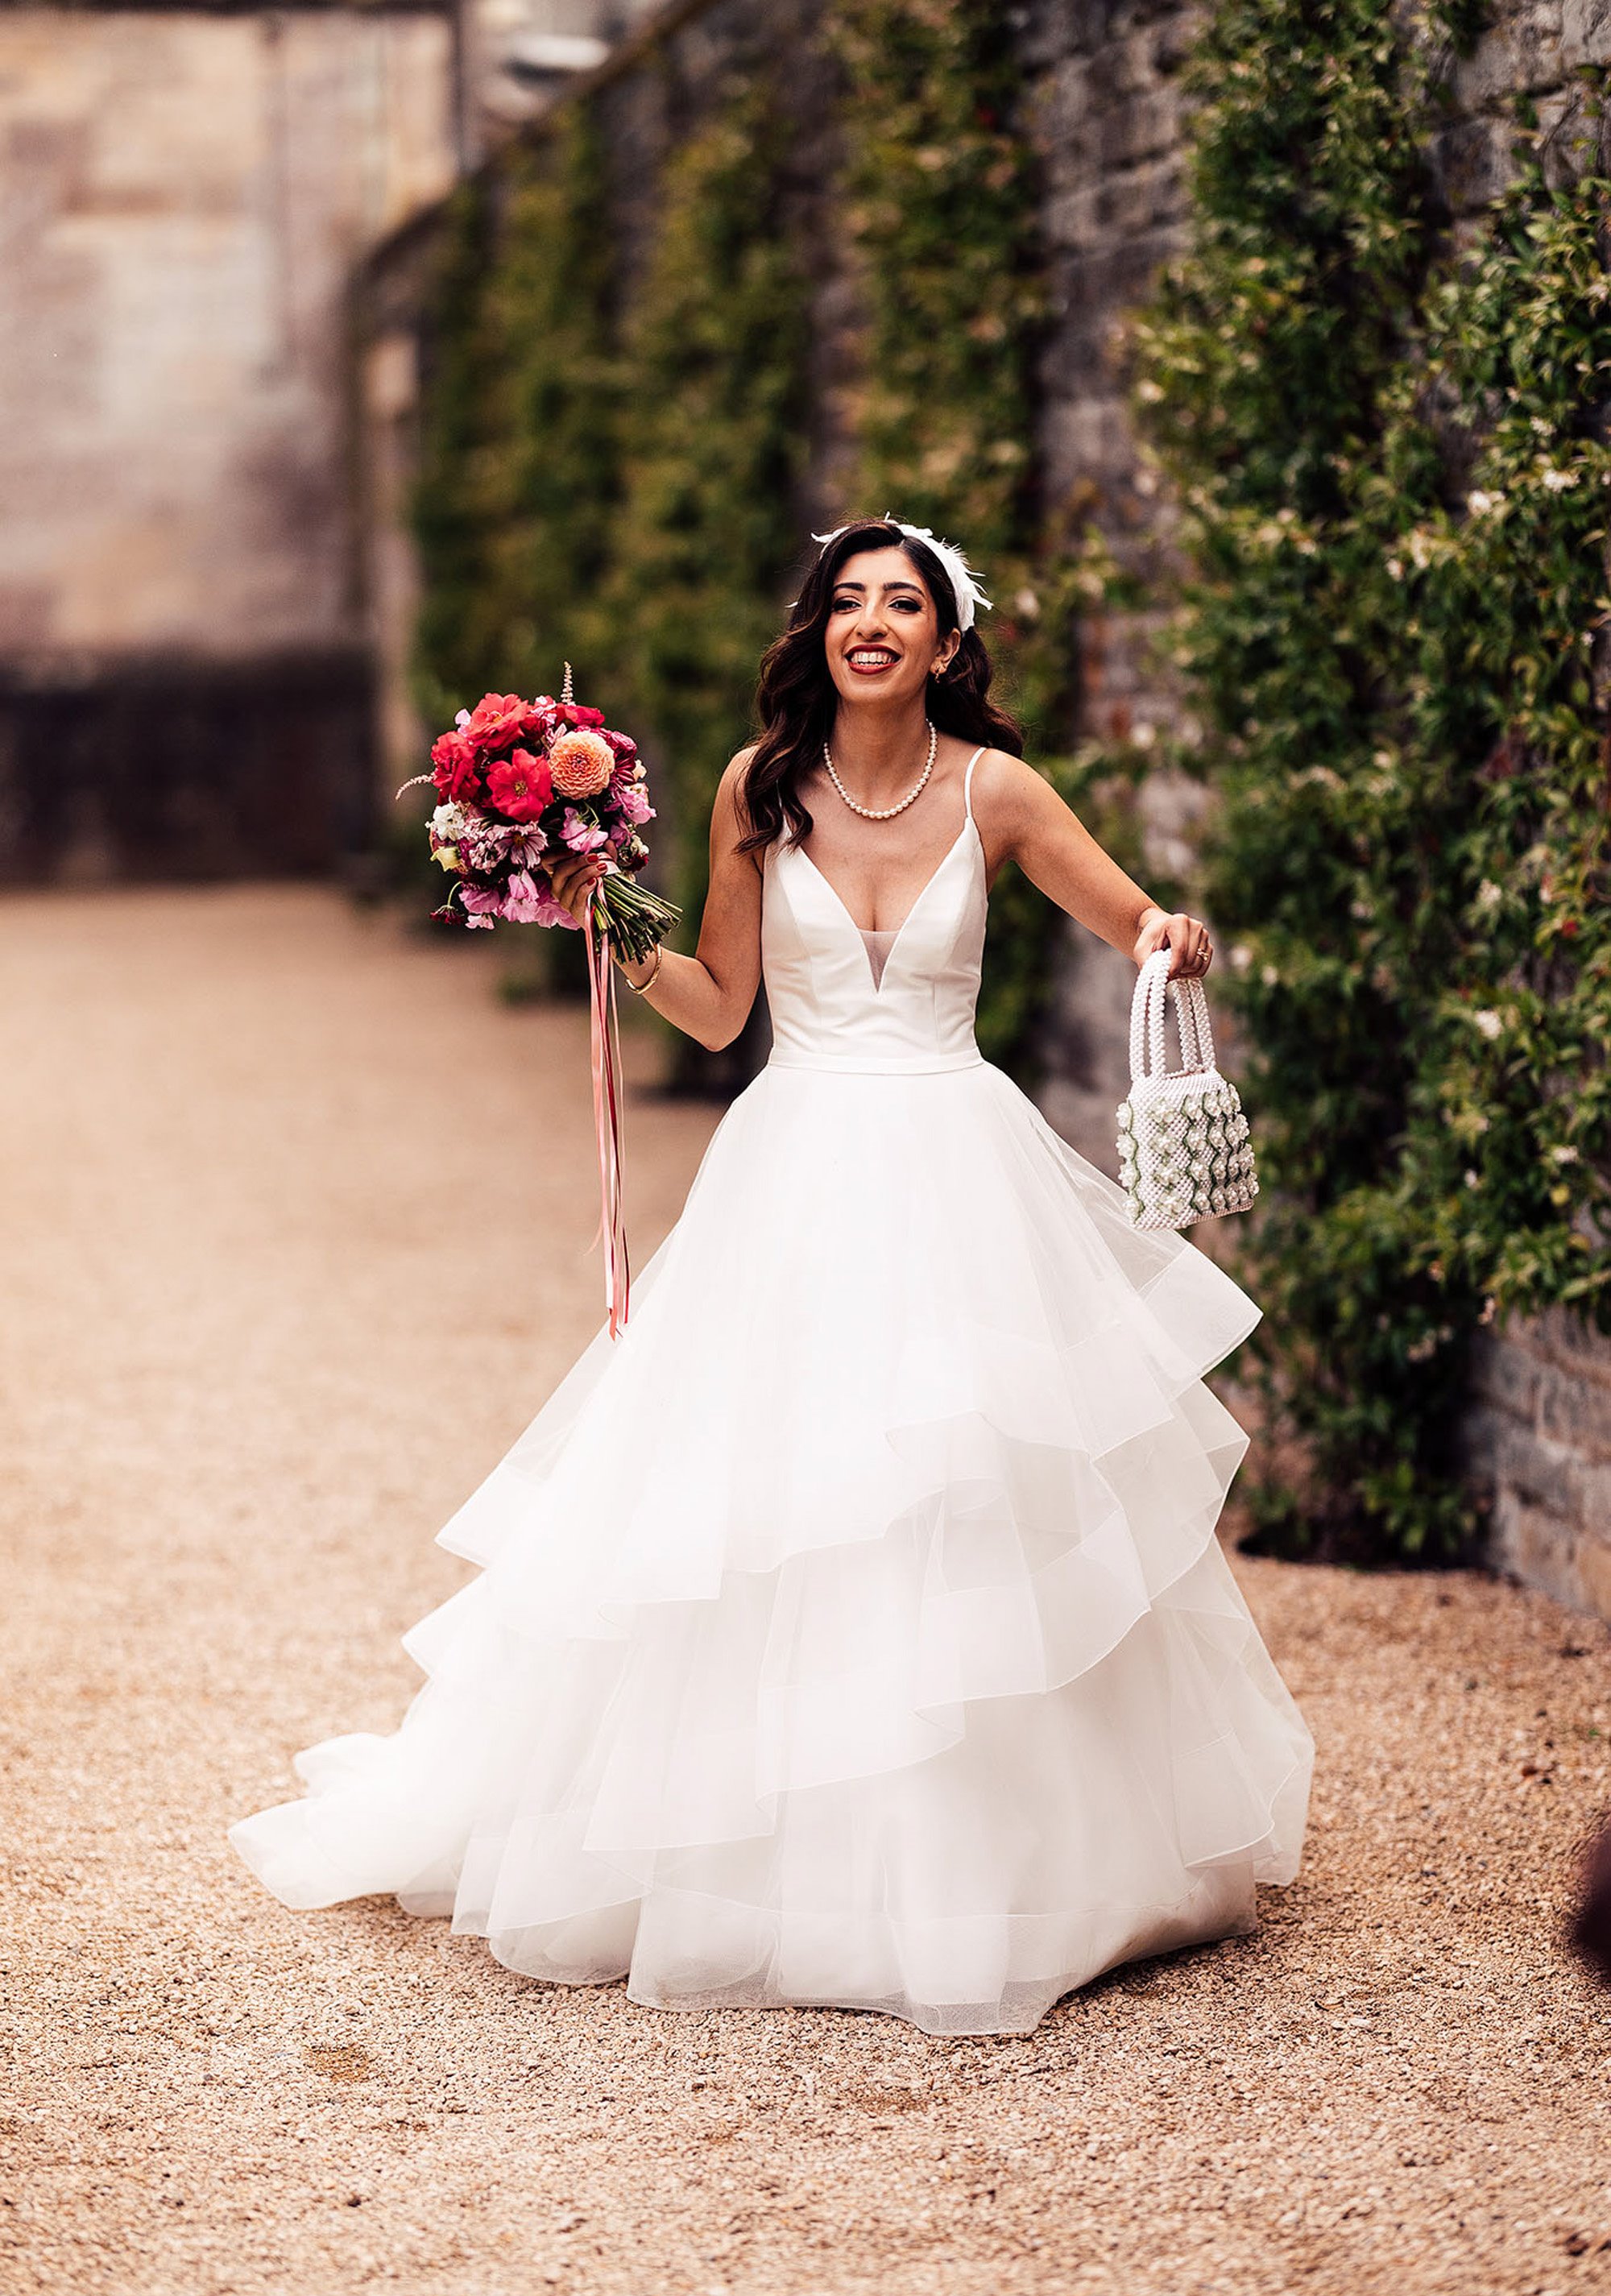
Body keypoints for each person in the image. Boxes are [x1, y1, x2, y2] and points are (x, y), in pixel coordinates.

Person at [230, 517, 1313, 2038]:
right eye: (850, 602)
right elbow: (722, 1007)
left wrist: (1170, 937)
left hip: (956, 1162)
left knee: (964, 1479)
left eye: (906, 605)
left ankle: (1011, 1850)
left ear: (946, 643)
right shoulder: (758, 788)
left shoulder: (997, 788)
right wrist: (594, 895)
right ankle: (765, 1852)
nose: (875, 624)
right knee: (768, 1494)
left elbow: (1132, 917)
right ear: (816, 632)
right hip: (794, 1164)